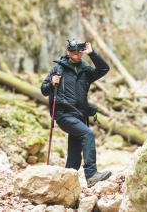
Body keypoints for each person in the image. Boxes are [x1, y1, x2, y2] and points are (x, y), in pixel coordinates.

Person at [40, 39, 111, 187]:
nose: (76, 54)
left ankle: (65, 183)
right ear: (67, 52)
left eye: (79, 51)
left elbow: (104, 69)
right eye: (73, 51)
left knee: (74, 154)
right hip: (63, 114)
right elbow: (44, 90)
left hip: (81, 116)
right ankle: (91, 175)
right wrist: (52, 83)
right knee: (87, 134)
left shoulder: (86, 71)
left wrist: (92, 53)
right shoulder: (58, 69)